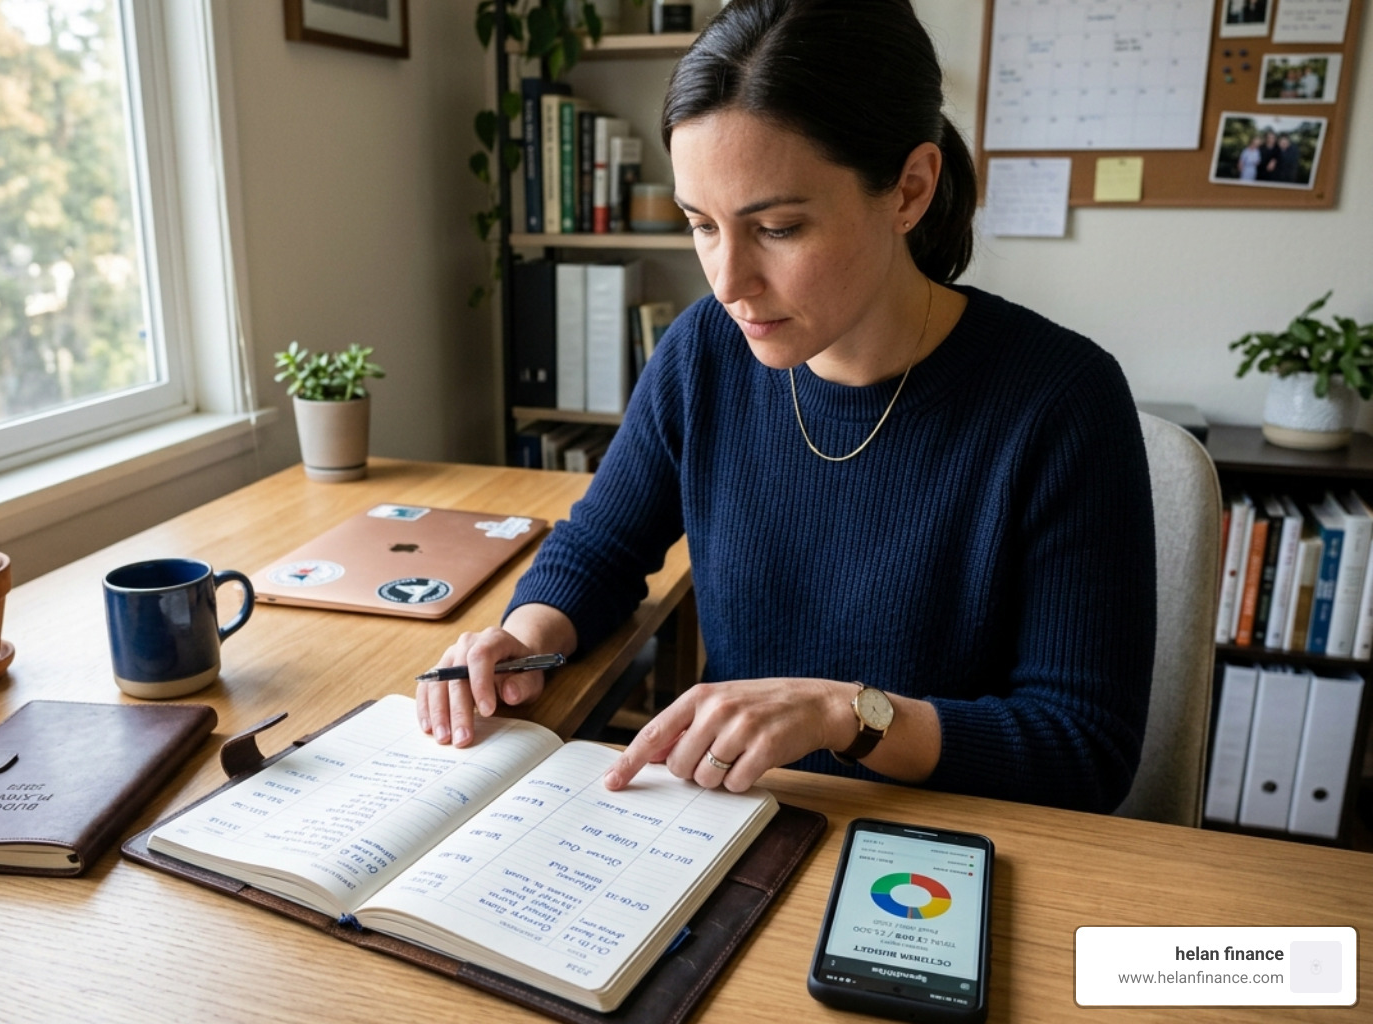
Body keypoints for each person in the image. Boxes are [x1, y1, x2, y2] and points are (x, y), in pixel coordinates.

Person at [419, 0, 1156, 814]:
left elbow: (1085, 749)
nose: (728, 282)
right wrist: (524, 640)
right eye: (701, 226)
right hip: (729, 823)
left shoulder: (1062, 403)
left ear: (909, 190)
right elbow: (602, 546)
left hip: (939, 852)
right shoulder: (705, 350)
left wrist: (843, 715)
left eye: (776, 227)